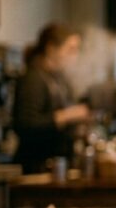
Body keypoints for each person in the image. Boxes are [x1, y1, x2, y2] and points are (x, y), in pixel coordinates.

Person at [14, 23, 90, 174]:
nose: (75, 56)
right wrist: (67, 115)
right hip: (35, 168)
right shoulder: (33, 79)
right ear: (51, 49)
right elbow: (26, 125)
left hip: (56, 166)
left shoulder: (59, 79)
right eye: (70, 50)